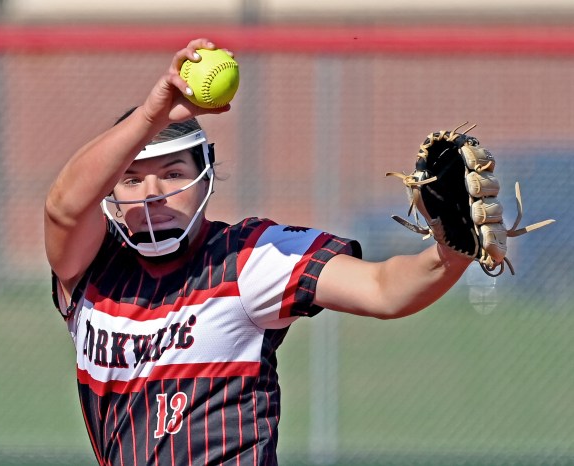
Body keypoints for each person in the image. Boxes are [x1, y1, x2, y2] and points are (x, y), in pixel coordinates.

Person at [44, 38, 472, 466]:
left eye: (173, 174)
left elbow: (384, 290)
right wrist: (151, 115)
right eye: (133, 179)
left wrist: (452, 250)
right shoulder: (93, 264)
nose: (153, 194)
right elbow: (64, 207)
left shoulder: (246, 257)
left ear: (205, 177)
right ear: (111, 189)